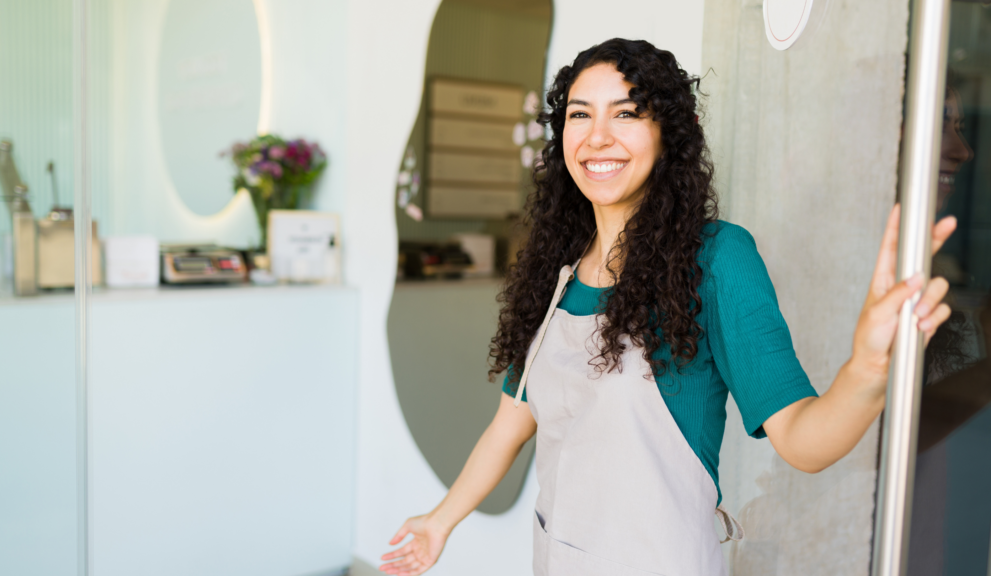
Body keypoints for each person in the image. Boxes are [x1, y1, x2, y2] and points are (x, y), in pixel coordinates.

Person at [380, 38, 957, 576]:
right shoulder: (554, 273)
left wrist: (869, 369)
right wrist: (440, 521)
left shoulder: (717, 259)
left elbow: (804, 442)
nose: (597, 136)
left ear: (671, 135)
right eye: (580, 114)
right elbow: (509, 427)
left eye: (626, 113)